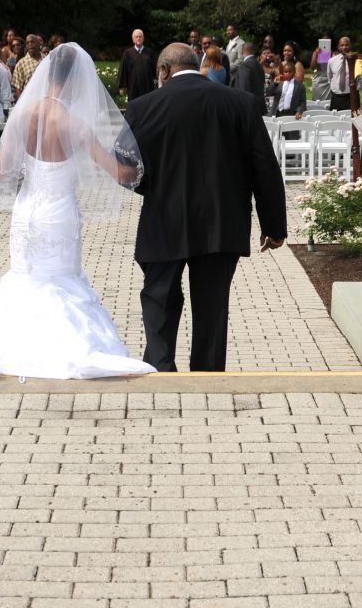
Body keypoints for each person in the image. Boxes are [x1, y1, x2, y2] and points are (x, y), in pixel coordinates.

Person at [0, 44, 156, 381]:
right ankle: (65, 349)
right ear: (75, 80)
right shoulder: (74, 123)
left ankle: (20, 349)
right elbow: (120, 174)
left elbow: (0, 170)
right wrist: (139, 156)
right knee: (60, 280)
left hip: (26, 212)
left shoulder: (23, 114)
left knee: (28, 279)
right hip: (59, 213)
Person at [123, 43, 287, 372]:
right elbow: (264, 168)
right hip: (221, 222)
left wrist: (154, 190)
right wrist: (273, 226)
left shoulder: (142, 108)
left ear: (164, 71)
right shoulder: (240, 104)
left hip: (164, 221)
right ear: (196, 65)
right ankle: (207, 373)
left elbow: (127, 170)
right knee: (212, 306)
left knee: (158, 297)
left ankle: (160, 366)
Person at [116, 29, 158, 101]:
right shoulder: (127, 53)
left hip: (147, 86)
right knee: (134, 106)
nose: (138, 38)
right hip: (133, 86)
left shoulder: (150, 53)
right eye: (136, 37)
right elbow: (123, 70)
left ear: (143, 38)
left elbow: (155, 69)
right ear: (133, 39)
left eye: (140, 37)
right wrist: (122, 86)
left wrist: (157, 81)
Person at [231, 41, 266, 113]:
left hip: (248, 108)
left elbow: (244, 88)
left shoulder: (245, 65)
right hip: (259, 106)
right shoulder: (259, 65)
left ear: (242, 51)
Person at [327, 36, 358, 111]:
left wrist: (355, 92)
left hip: (351, 97)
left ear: (350, 46)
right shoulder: (332, 61)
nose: (344, 47)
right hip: (336, 98)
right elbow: (330, 77)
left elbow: (361, 79)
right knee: (335, 120)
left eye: (346, 45)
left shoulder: (356, 60)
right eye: (342, 45)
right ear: (338, 47)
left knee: (351, 120)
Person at [12, 34, 43, 99]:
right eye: (28, 43)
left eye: (32, 42)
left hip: (46, 101)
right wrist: (22, 107)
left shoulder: (47, 59)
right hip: (29, 103)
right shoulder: (21, 64)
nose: (30, 44)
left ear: (38, 44)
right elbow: (18, 89)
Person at [309, 38, 332, 103]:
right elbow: (312, 67)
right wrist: (316, 54)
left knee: (328, 103)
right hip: (319, 80)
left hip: (329, 81)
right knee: (317, 102)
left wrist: (331, 55)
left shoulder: (333, 53)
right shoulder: (316, 53)